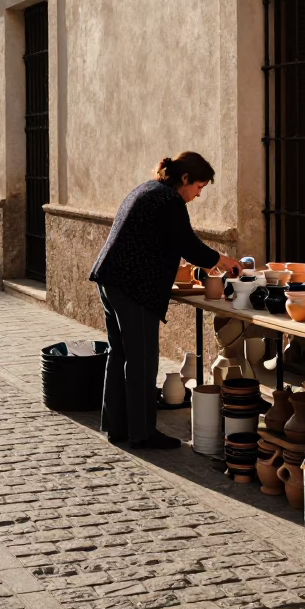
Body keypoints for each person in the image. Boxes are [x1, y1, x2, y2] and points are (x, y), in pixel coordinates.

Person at [89, 152, 241, 450]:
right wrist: (222, 260)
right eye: (198, 187)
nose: (198, 194)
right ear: (184, 179)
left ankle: (116, 426)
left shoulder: (147, 189)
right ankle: (142, 433)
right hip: (133, 287)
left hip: (111, 280)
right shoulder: (168, 200)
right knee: (142, 361)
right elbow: (187, 244)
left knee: (119, 354)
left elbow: (164, 241)